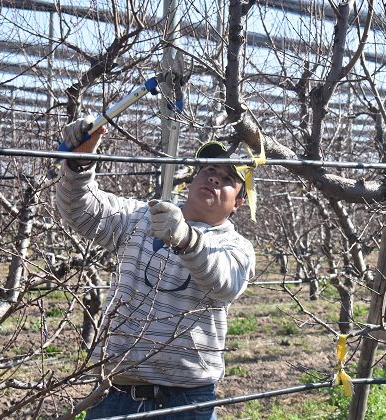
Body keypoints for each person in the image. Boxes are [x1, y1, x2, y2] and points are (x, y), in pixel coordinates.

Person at [55, 116, 255, 419]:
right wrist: (79, 163)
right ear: (191, 179)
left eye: (228, 179)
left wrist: (186, 238)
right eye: (209, 170)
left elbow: (224, 283)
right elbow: (80, 210)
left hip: (187, 403)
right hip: (116, 393)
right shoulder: (140, 217)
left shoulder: (236, 247)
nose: (215, 178)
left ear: (238, 203)